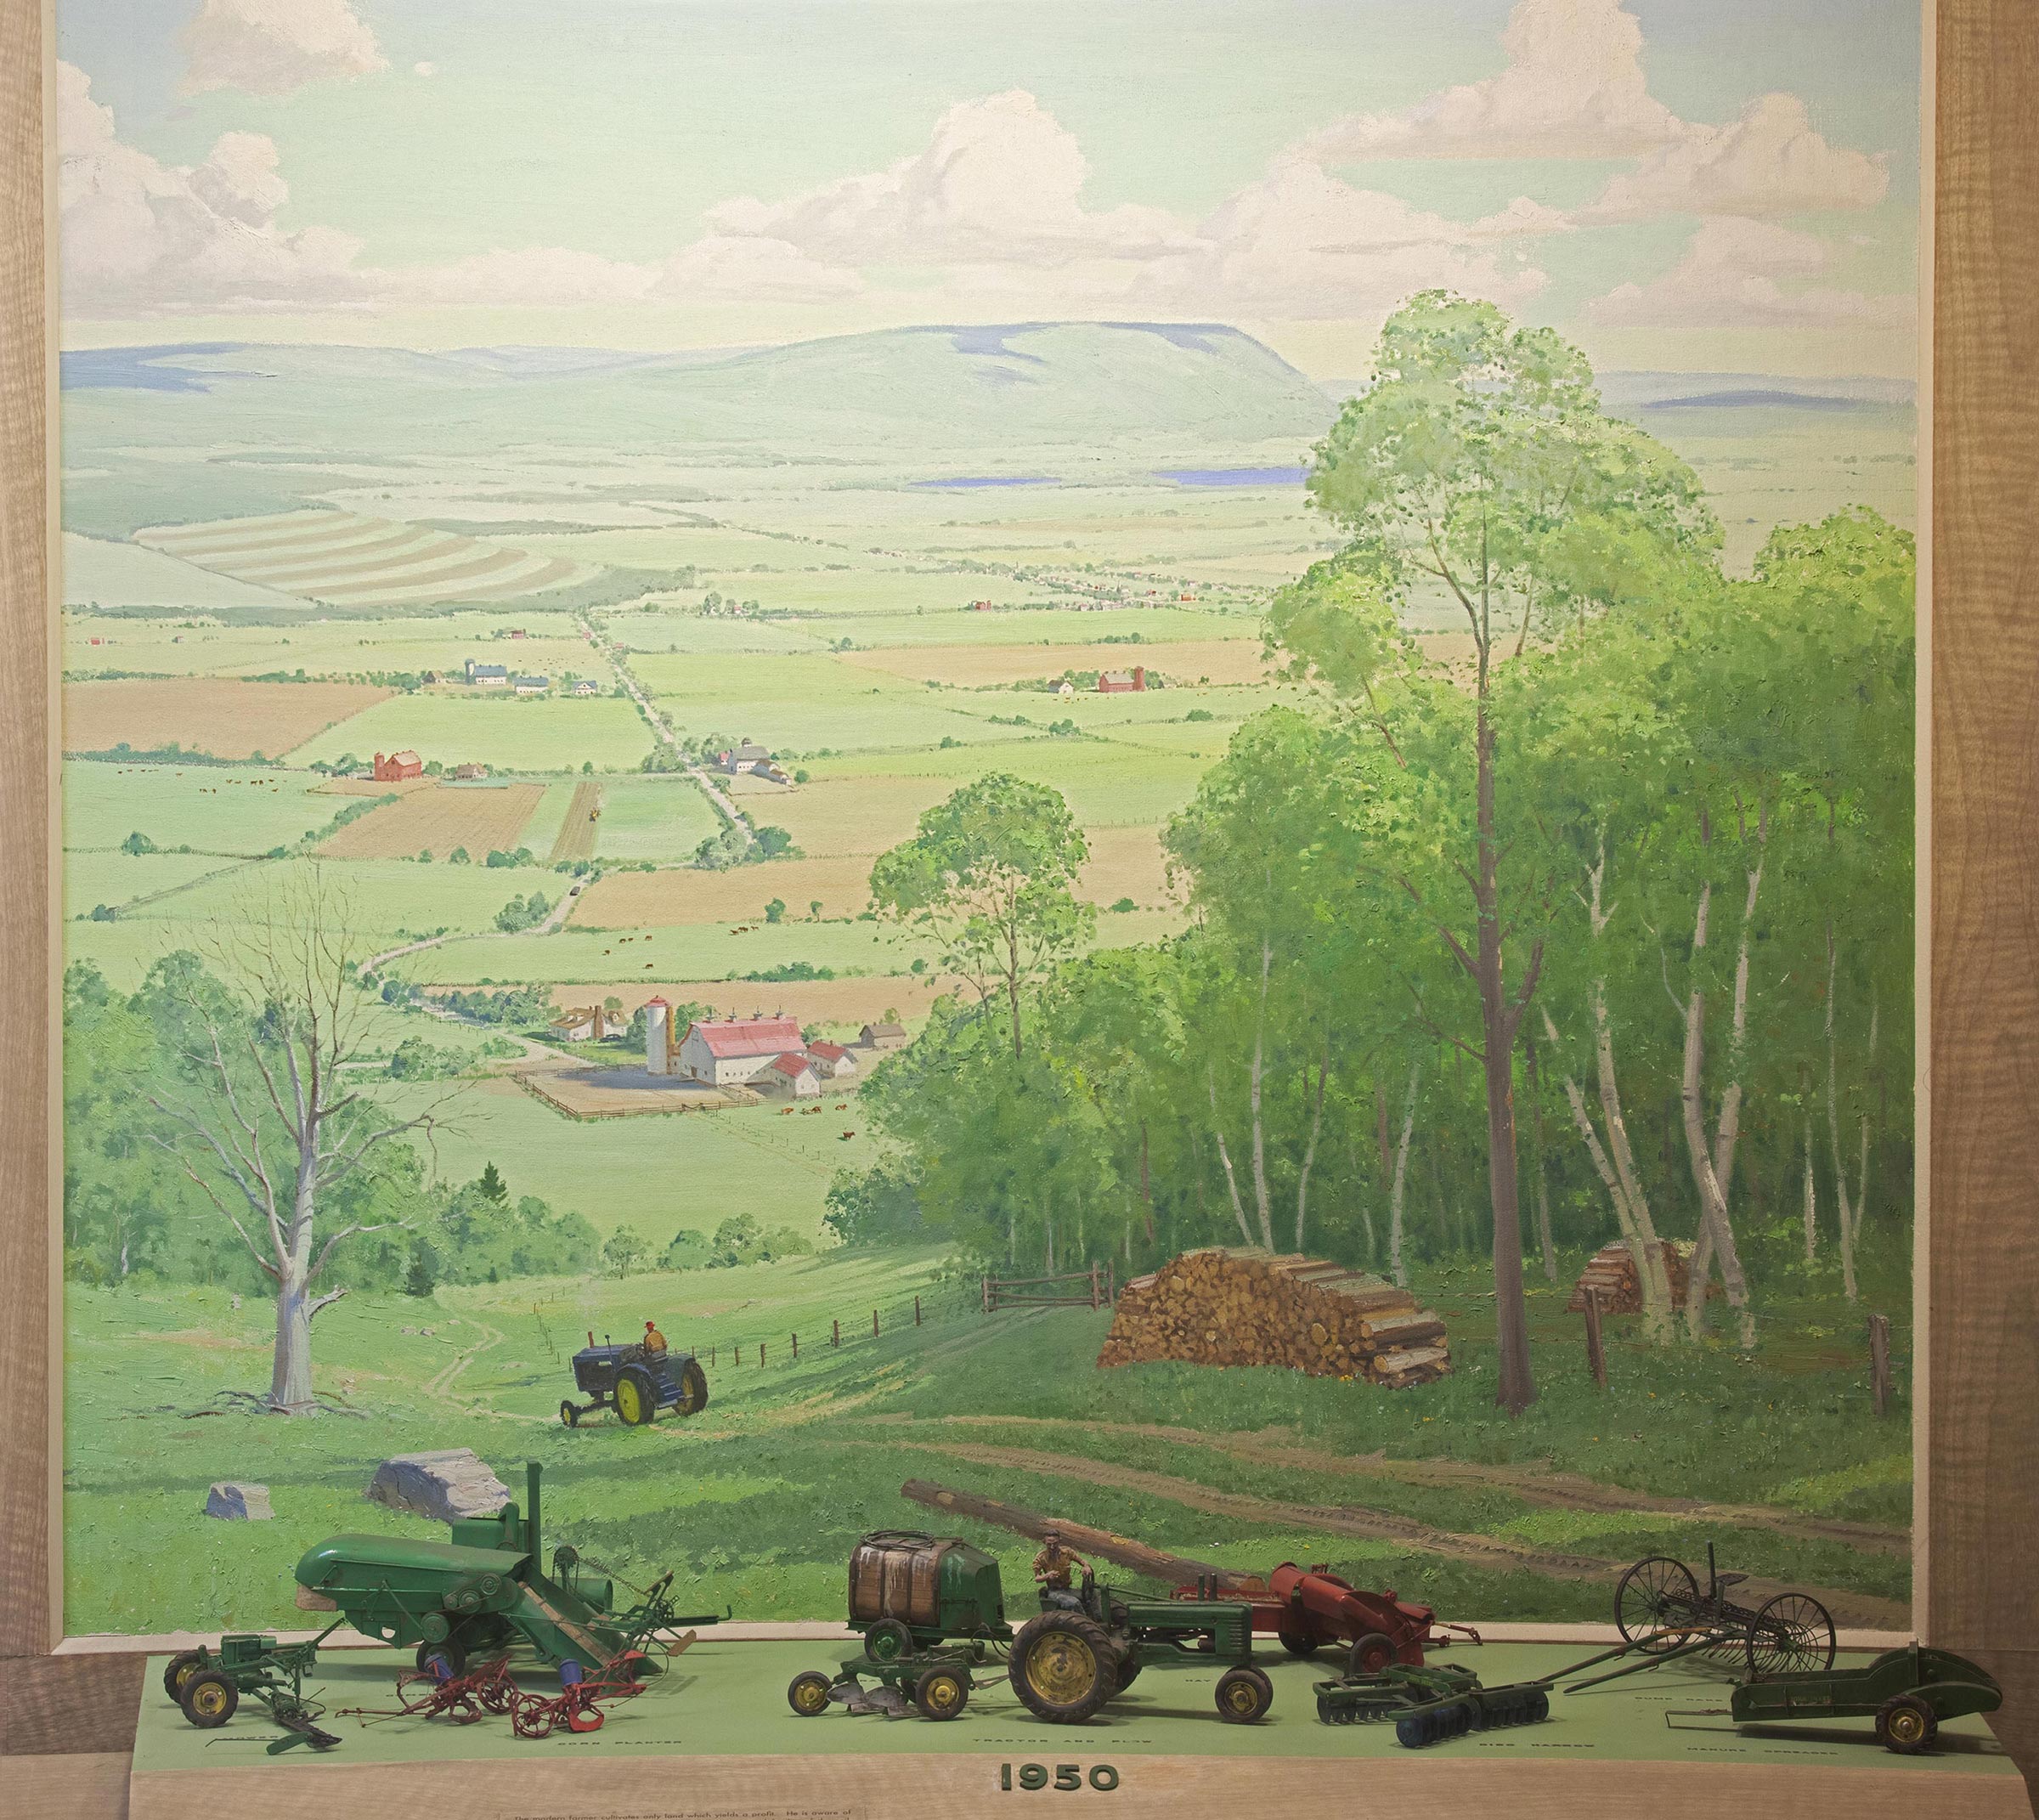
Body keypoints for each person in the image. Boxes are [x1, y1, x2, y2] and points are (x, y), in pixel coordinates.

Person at [1033, 1527, 1091, 1612]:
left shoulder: (1067, 1552)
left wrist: (1086, 1567)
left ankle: (1099, 1619)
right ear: (1044, 1542)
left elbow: (1082, 1561)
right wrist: (1047, 1576)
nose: (1052, 1547)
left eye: (1055, 1544)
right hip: (1054, 1592)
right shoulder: (1041, 1558)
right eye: (1049, 1544)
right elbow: (1037, 1578)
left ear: (1060, 1541)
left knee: (1092, 1595)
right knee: (1074, 1603)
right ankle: (1085, 1624)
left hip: (1067, 1589)